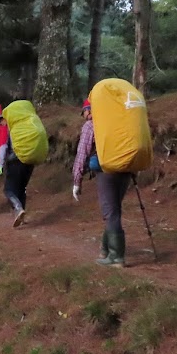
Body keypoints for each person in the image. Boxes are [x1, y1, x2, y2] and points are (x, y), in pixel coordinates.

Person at [72, 98, 131, 266]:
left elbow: (82, 154)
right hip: (126, 168)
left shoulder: (90, 125)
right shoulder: (119, 120)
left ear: (89, 110)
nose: (84, 116)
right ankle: (105, 249)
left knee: (110, 212)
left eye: (84, 112)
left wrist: (77, 181)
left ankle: (116, 256)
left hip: (106, 171)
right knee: (114, 209)